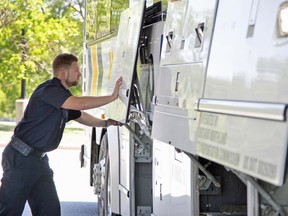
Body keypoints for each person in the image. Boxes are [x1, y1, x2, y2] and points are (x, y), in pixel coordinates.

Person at [0, 53, 122, 216]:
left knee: (49, 210)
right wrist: (112, 96)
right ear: (63, 73)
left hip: (39, 161)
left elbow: (81, 114)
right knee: (9, 210)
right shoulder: (49, 90)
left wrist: (106, 123)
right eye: (76, 70)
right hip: (21, 158)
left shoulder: (63, 98)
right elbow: (80, 103)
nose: (79, 73)